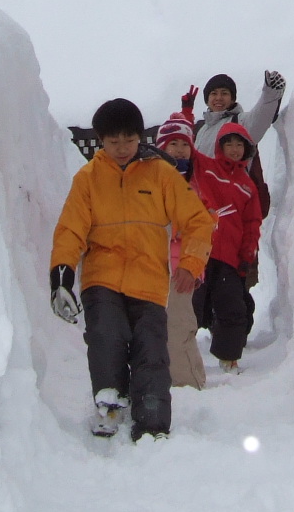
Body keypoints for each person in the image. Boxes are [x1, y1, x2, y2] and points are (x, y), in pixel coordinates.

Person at [49, 98, 216, 440]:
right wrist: (62, 275)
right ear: (100, 141)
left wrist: (190, 262)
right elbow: (70, 230)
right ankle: (109, 405)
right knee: (106, 336)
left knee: (151, 349)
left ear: (140, 137)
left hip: (150, 281)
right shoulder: (88, 180)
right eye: (113, 142)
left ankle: (152, 420)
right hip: (102, 277)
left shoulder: (161, 174)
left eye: (129, 140)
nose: (122, 148)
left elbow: (199, 221)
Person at [192, 121, 263, 372]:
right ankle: (181, 355)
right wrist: (187, 113)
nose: (234, 149)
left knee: (233, 308)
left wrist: (247, 254)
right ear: (219, 146)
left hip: (229, 259)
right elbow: (184, 148)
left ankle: (228, 358)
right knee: (192, 306)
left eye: (239, 144)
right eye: (229, 143)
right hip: (200, 253)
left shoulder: (248, 186)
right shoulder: (207, 168)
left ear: (246, 149)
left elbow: (252, 223)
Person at [154, 114, 211, 391]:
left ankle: (189, 384)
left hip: (182, 270)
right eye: (172, 143)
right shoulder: (152, 179)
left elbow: (202, 228)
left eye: (184, 144)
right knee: (156, 331)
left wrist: (194, 266)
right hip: (153, 269)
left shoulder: (196, 183)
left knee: (179, 328)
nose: (178, 149)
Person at [186, 70, 286, 215]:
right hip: (203, 206)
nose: (219, 98)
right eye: (213, 93)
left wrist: (270, 93)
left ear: (232, 99)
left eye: (224, 93)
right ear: (207, 99)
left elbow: (260, 118)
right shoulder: (202, 129)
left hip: (231, 205)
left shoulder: (239, 122)